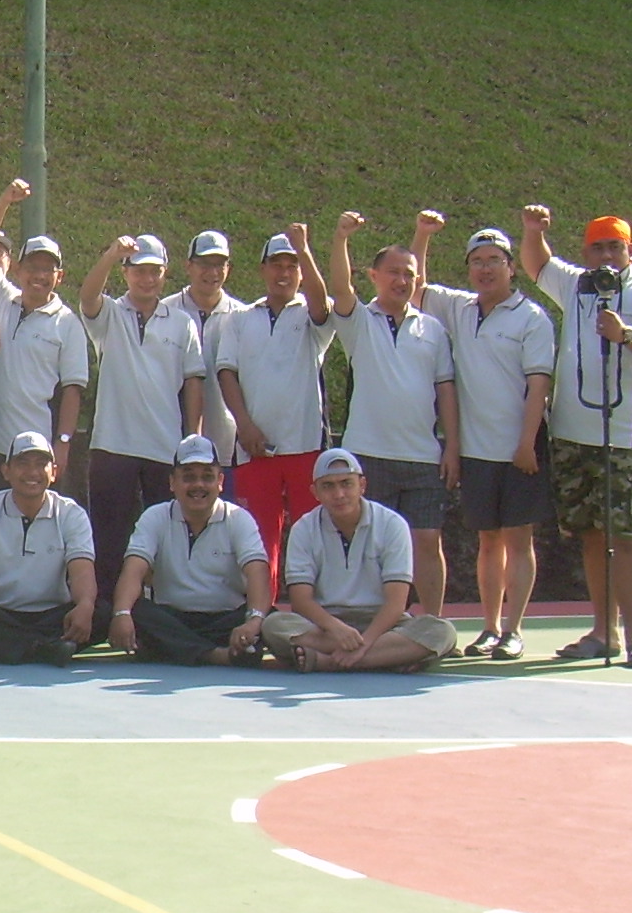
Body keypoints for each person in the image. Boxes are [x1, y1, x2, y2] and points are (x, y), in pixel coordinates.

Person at [520, 207, 632, 668]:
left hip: (627, 435)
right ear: (586, 253)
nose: (606, 255)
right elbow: (537, 264)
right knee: (591, 534)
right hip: (573, 436)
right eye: (597, 247)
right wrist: (533, 231)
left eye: (615, 247)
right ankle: (603, 631)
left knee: (625, 534)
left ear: (631, 251)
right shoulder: (576, 285)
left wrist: (625, 334)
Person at [411, 214, 556, 660]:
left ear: (511, 267)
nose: (486, 269)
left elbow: (538, 385)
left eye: (494, 260)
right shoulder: (459, 309)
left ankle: (513, 630)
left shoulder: (532, 318)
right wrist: (422, 236)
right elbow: (416, 288)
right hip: (475, 452)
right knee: (488, 542)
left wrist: (526, 444)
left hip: (520, 451)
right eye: (477, 261)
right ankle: (490, 627)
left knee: (518, 540)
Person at [319, 211, 460, 616]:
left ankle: (432, 623)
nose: (402, 280)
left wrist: (452, 447)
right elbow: (340, 288)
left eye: (409, 275)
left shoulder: (432, 329)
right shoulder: (358, 321)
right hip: (369, 456)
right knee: (370, 543)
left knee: (427, 541)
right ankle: (375, 622)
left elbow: (445, 391)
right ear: (374, 276)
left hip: (422, 457)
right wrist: (341, 238)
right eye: (393, 272)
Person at [77, 233, 204, 621]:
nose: (147, 279)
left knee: (168, 536)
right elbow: (87, 298)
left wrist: (192, 440)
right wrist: (111, 253)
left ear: (164, 274)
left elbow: (193, 382)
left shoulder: (182, 323)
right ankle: (106, 613)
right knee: (109, 535)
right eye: (139, 271)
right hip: (112, 444)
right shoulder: (110, 315)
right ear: (126, 273)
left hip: (165, 447)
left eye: (154, 272)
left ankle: (165, 611)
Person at [215, 226, 333, 599]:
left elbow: (321, 304)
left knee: (312, 537)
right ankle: (259, 614)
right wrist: (244, 426)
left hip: (305, 446)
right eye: (276, 265)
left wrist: (304, 248)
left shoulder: (313, 315)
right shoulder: (240, 318)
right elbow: (226, 372)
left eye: (292, 266)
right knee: (260, 541)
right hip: (255, 449)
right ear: (263, 269)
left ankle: (314, 612)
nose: (284, 273)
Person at [261, 449, 457, 672]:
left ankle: (329, 662)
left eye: (346, 483)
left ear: (362, 485)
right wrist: (336, 629)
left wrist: (365, 643)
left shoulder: (392, 524)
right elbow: (301, 600)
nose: (339, 494)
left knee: (441, 631)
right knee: (274, 625)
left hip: (383, 624)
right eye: (328, 486)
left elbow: (396, 603)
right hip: (326, 625)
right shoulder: (304, 528)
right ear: (315, 492)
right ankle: (388, 659)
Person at [107, 435, 271, 667]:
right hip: (172, 619)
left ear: (220, 481)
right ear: (172, 482)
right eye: (189, 477)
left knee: (268, 618)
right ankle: (216, 655)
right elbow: (134, 569)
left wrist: (253, 621)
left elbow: (257, 572)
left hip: (225, 620)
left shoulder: (238, 519)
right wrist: (122, 613)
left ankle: (178, 650)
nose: (198, 485)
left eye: (207, 477)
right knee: (134, 611)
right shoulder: (155, 516)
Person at [0, 181, 88, 482]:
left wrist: (63, 443)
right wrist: (4, 202)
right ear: (18, 270)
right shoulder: (1, 296)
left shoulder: (68, 323)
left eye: (48, 269)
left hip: (36, 449)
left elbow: (72, 390)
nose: (39, 276)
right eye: (33, 267)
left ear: (59, 276)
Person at [0, 430, 95, 667]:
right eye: (23, 463)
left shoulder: (71, 514)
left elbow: (82, 572)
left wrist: (85, 604)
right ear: (6, 471)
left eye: (41, 464)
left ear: (53, 472)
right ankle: (47, 647)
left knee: (100, 611)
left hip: (53, 613)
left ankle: (3, 647)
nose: (32, 472)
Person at [165, 231, 249, 468]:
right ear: (188, 266)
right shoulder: (166, 312)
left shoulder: (243, 317)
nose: (212, 272)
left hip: (228, 445)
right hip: (168, 443)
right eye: (204, 264)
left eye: (219, 265)